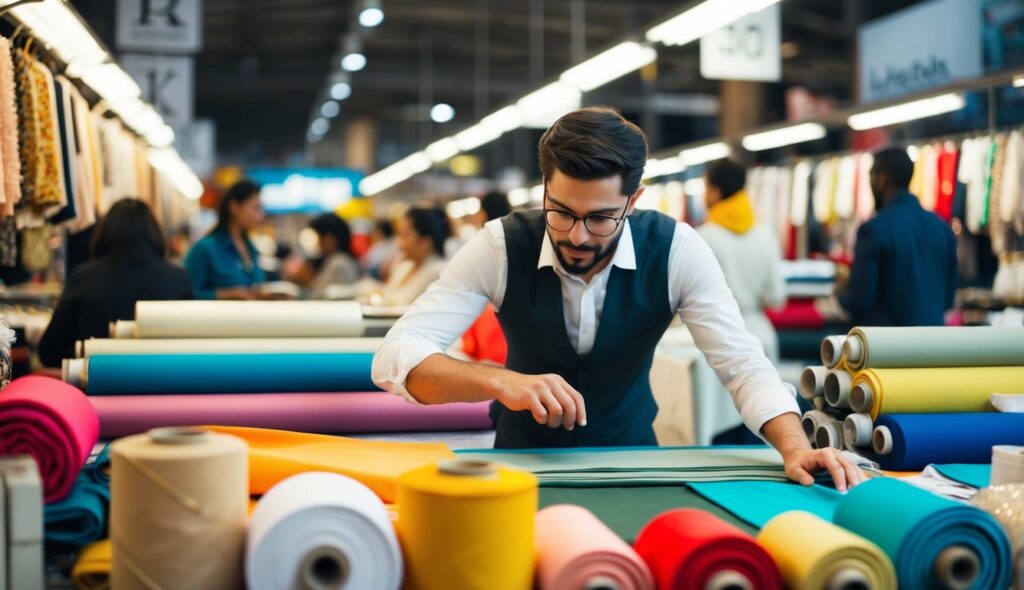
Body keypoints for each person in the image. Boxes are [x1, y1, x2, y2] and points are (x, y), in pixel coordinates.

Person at [373, 107, 862, 491]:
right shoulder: (501, 246)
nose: (579, 237)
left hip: (633, 463)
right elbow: (395, 355)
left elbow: (741, 363)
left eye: (601, 218)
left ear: (634, 200)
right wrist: (499, 381)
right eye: (561, 213)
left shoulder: (677, 250)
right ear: (544, 187)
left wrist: (794, 446)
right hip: (519, 467)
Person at [38, 199, 193, 367]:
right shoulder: (177, 278)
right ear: (153, 233)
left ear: (105, 232)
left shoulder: (84, 277)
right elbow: (194, 346)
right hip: (164, 382)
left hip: (93, 384)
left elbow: (49, 351)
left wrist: (87, 357)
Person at [838, 148, 958, 326]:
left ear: (882, 179)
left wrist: (838, 293)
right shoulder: (942, 228)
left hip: (887, 348)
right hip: (933, 346)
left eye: (872, 176)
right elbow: (948, 300)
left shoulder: (873, 230)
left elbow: (859, 301)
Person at [699, 159, 785, 362]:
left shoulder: (702, 237)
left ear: (715, 192)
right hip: (761, 335)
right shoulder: (765, 234)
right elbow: (776, 297)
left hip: (719, 339)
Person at [185, 180, 267, 300]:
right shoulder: (205, 249)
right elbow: (187, 294)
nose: (260, 216)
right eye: (255, 208)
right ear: (234, 207)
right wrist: (227, 294)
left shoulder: (251, 248)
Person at [375, 206, 449, 306]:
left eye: (404, 235)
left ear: (425, 242)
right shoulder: (404, 267)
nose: (399, 243)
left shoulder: (438, 274)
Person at [307, 213, 360, 299]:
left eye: (318, 237)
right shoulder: (340, 260)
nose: (316, 243)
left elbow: (319, 297)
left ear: (329, 238)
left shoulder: (339, 263)